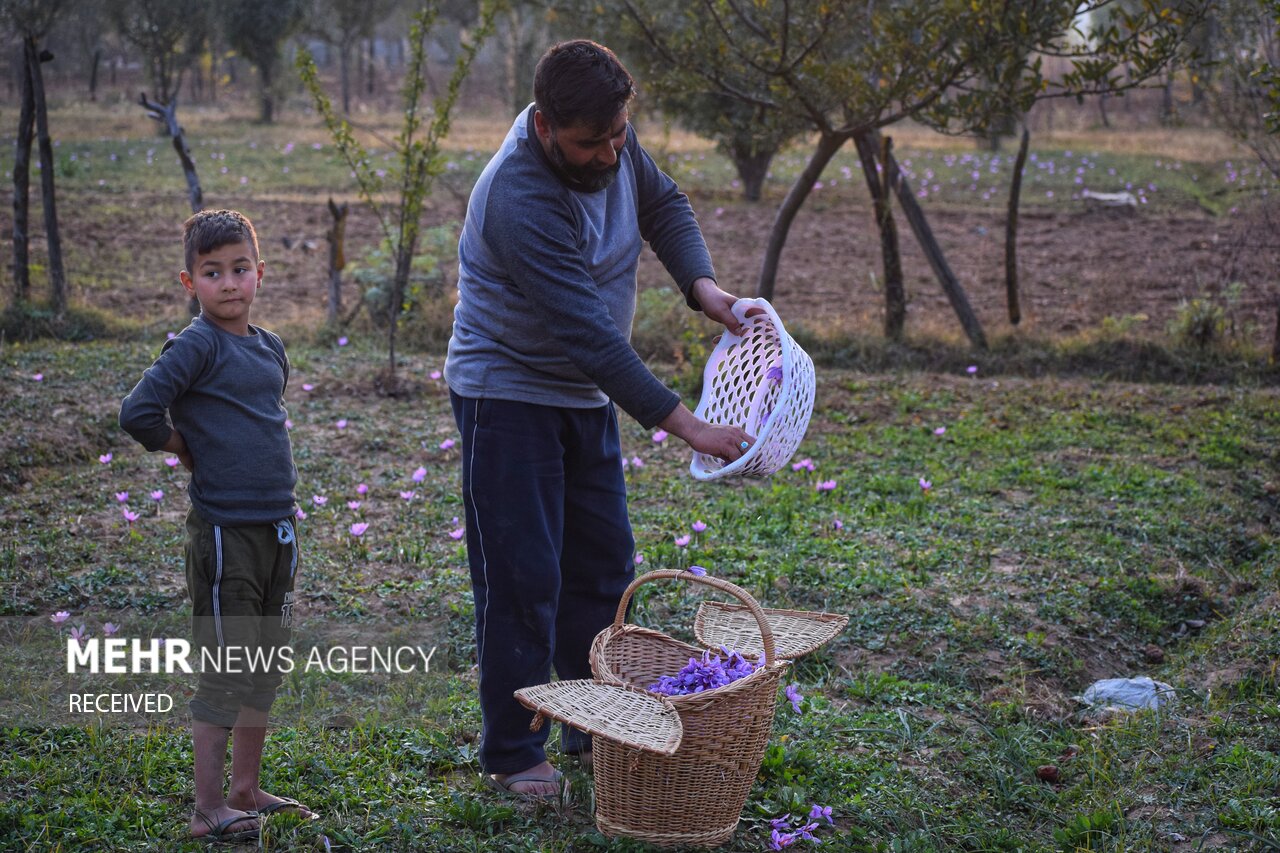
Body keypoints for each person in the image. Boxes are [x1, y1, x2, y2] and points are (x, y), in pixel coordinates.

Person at [444, 39, 756, 801]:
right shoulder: (519, 193)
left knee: (603, 567)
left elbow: (662, 201)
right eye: (594, 142)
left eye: (620, 133)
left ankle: (595, 721)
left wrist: (704, 289)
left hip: (578, 396)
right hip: (507, 391)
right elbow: (587, 333)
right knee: (523, 576)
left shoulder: (609, 132)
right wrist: (688, 424)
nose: (613, 151)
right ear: (547, 127)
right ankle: (514, 752)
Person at [120, 209, 315, 842]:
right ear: (189, 282)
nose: (228, 284)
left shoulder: (269, 346)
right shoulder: (195, 344)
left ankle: (245, 789)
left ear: (259, 274)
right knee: (227, 669)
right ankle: (207, 808)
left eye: (239, 270)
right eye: (212, 273)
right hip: (226, 535)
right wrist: (185, 445)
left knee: (265, 664)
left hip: (277, 532)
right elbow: (139, 412)